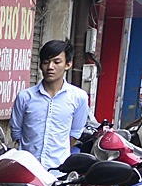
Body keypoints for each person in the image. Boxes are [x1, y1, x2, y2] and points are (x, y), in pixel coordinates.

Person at [10, 40, 90, 168]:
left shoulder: (79, 98)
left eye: (57, 62)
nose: (50, 67)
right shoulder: (25, 97)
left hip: (57, 171)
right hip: (27, 170)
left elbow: (75, 132)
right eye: (46, 62)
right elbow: (16, 132)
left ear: (68, 64)